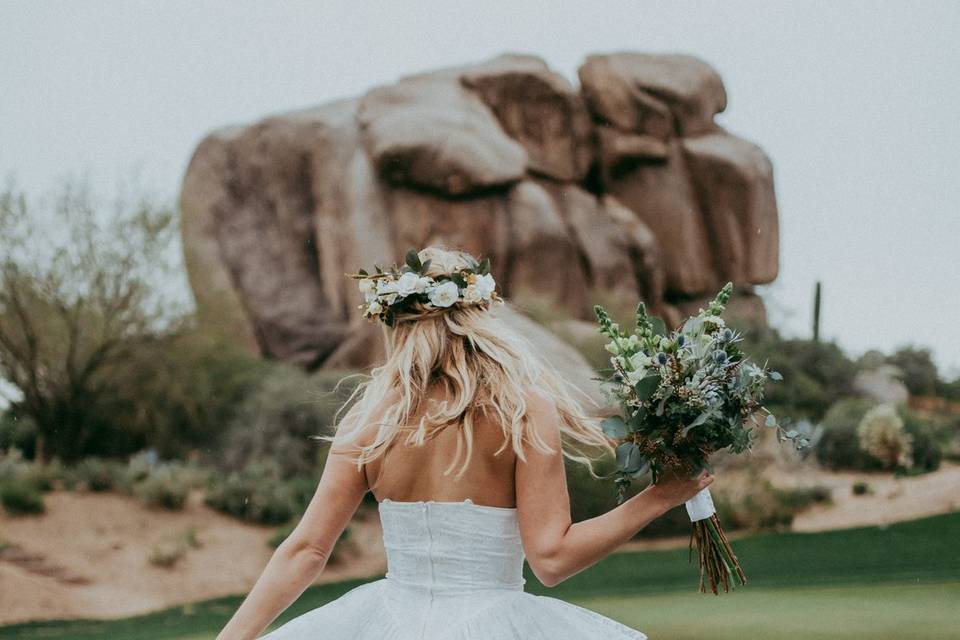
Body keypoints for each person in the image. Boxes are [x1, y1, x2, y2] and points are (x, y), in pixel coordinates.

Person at [216, 246, 713, 640]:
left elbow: (305, 550)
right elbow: (552, 560)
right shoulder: (521, 411)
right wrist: (662, 496)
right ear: (480, 318)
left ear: (396, 325)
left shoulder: (372, 419)